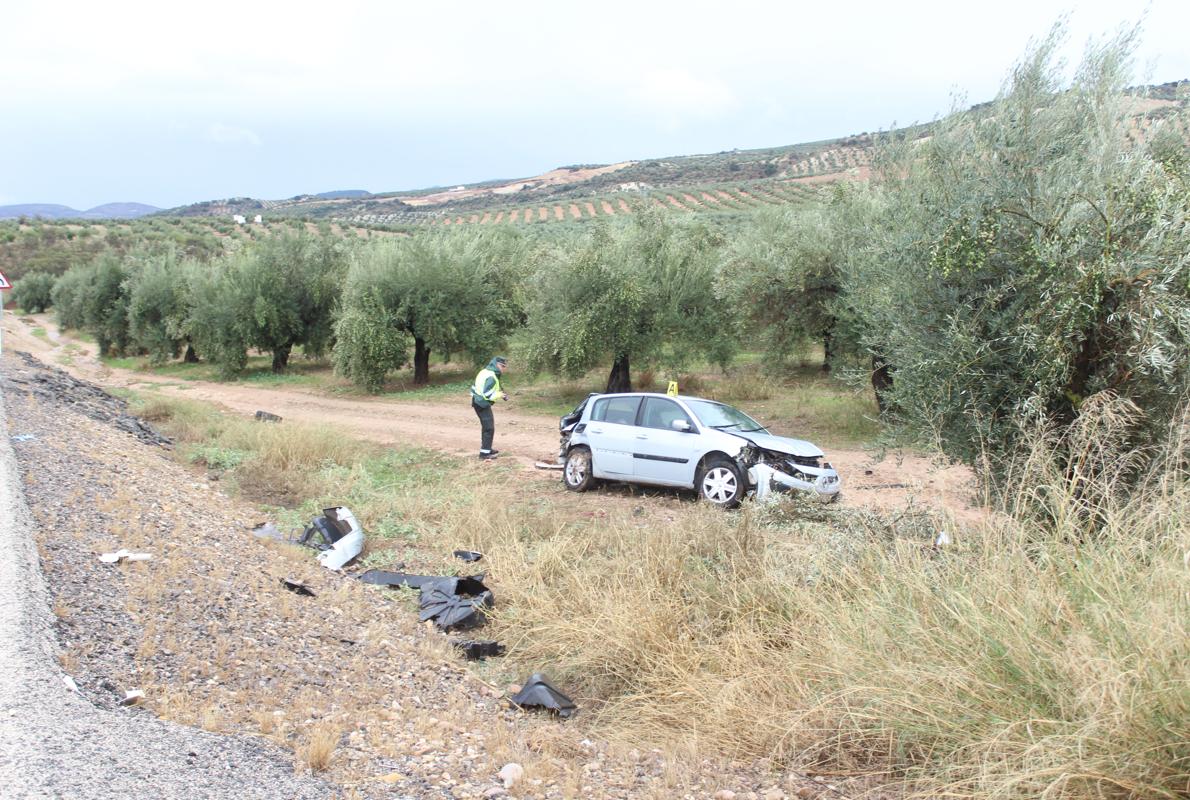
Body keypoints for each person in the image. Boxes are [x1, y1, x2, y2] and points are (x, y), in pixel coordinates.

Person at [471, 356, 509, 459]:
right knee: (489, 428)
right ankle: (484, 454)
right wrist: (500, 395)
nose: (503, 368)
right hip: (482, 403)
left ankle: (486, 449)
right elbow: (487, 394)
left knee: (487, 427)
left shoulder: (485, 371)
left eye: (504, 366)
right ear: (495, 364)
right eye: (502, 366)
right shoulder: (491, 376)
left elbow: (475, 386)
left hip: (477, 401)